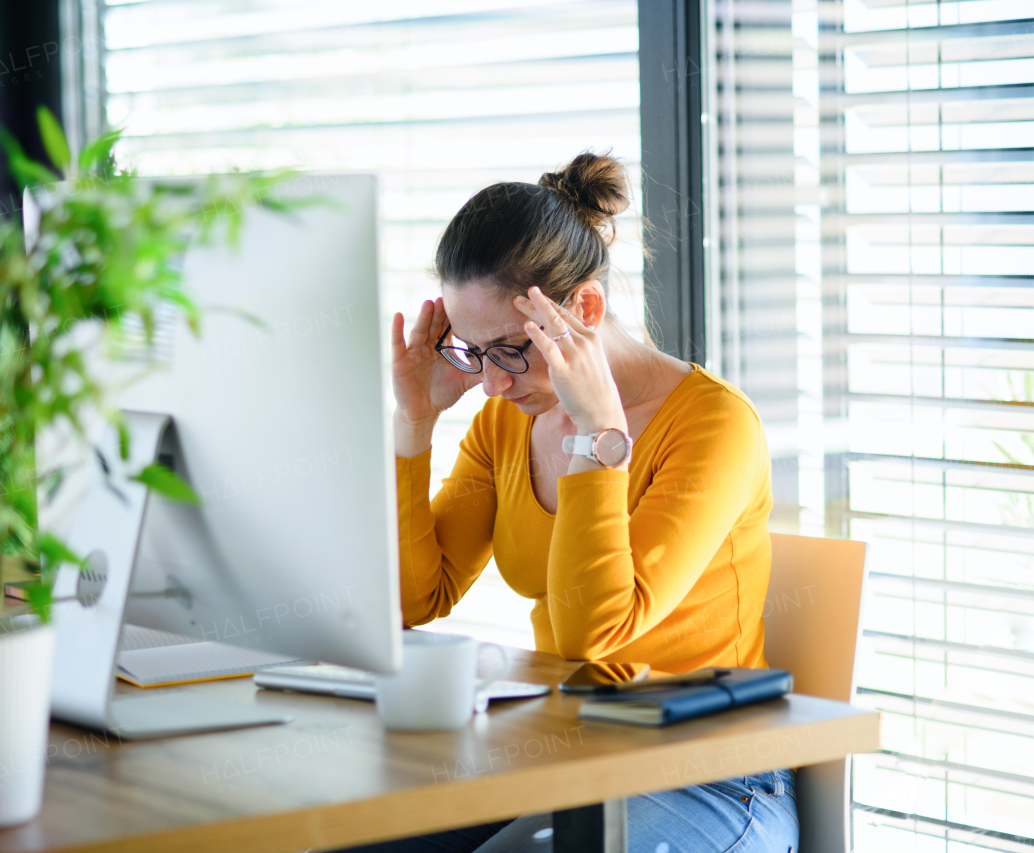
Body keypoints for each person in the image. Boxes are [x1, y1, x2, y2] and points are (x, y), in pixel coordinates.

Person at [336, 152, 797, 853]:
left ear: (582, 308)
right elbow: (411, 599)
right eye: (472, 350)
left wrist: (598, 438)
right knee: (355, 842)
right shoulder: (508, 421)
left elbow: (594, 635)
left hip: (711, 776)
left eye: (511, 350)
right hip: (569, 750)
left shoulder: (714, 426)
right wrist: (414, 425)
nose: (491, 384)